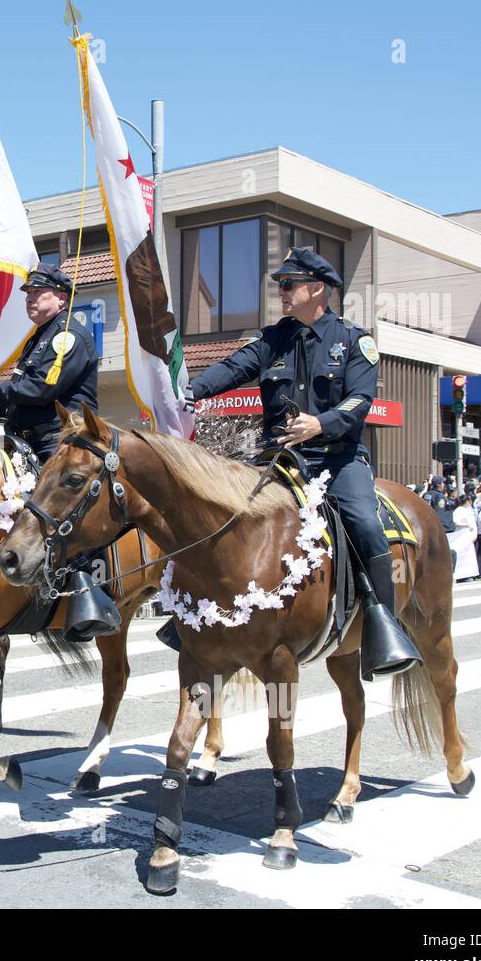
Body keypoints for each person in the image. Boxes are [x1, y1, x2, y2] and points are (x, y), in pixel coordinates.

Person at [185, 247, 417, 680]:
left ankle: (383, 627)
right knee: (215, 511)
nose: (282, 293)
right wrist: (189, 392)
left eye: (289, 285)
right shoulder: (272, 339)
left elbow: (360, 400)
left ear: (318, 288)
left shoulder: (353, 340)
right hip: (278, 460)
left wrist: (322, 423)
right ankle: (196, 612)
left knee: (364, 523)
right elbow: (231, 369)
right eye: (280, 286)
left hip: (336, 458)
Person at [0, 261, 116, 641]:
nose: (30, 299)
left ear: (61, 298)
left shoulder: (66, 337)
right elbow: (24, 397)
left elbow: (42, 390)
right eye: (28, 294)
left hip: (60, 439)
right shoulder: (41, 337)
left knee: (61, 503)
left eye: (39, 293)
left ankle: (90, 598)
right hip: (24, 435)